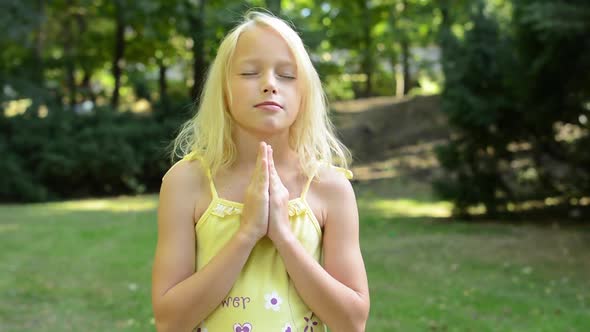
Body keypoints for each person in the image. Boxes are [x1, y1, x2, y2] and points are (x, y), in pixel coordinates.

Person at [151, 10, 370, 332]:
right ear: (224, 90)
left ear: (304, 93)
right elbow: (170, 321)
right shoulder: (186, 182)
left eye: (287, 75)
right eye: (250, 73)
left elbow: (352, 322)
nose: (269, 84)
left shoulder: (330, 187)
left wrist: (282, 235)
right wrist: (247, 233)